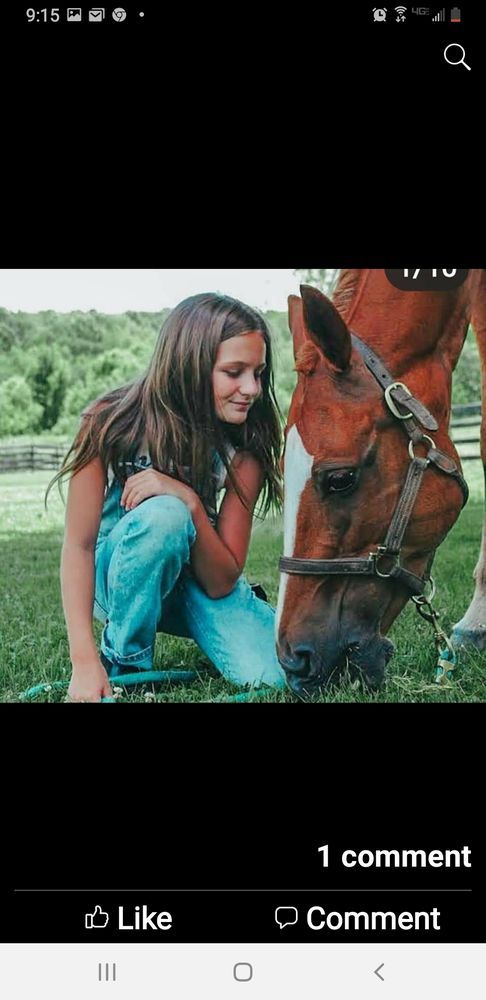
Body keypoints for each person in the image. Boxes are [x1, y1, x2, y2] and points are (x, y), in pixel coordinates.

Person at [46, 292, 287, 702]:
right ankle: (125, 661)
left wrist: (190, 501)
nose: (252, 388)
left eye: (258, 373)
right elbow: (79, 546)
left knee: (273, 674)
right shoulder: (108, 420)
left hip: (196, 578)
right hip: (117, 577)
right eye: (234, 372)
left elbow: (221, 581)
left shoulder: (247, 443)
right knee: (164, 516)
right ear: (190, 364)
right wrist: (83, 661)